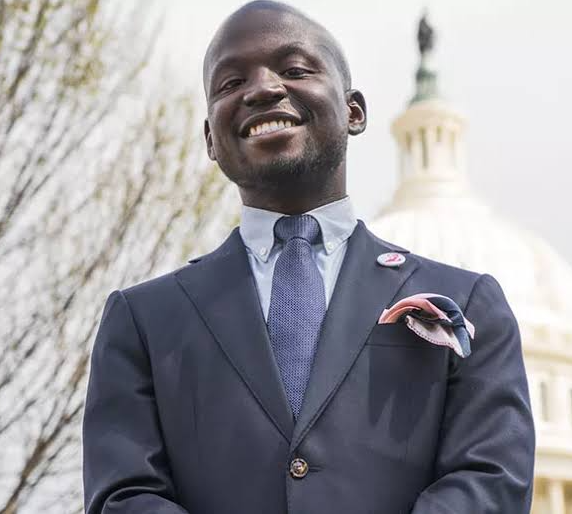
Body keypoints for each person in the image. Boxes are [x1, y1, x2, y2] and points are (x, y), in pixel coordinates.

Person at [82, 1, 535, 513]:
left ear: (353, 110)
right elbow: (124, 496)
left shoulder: (471, 304)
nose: (260, 89)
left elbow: (488, 481)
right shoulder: (143, 321)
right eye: (230, 84)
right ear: (210, 138)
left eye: (295, 70)